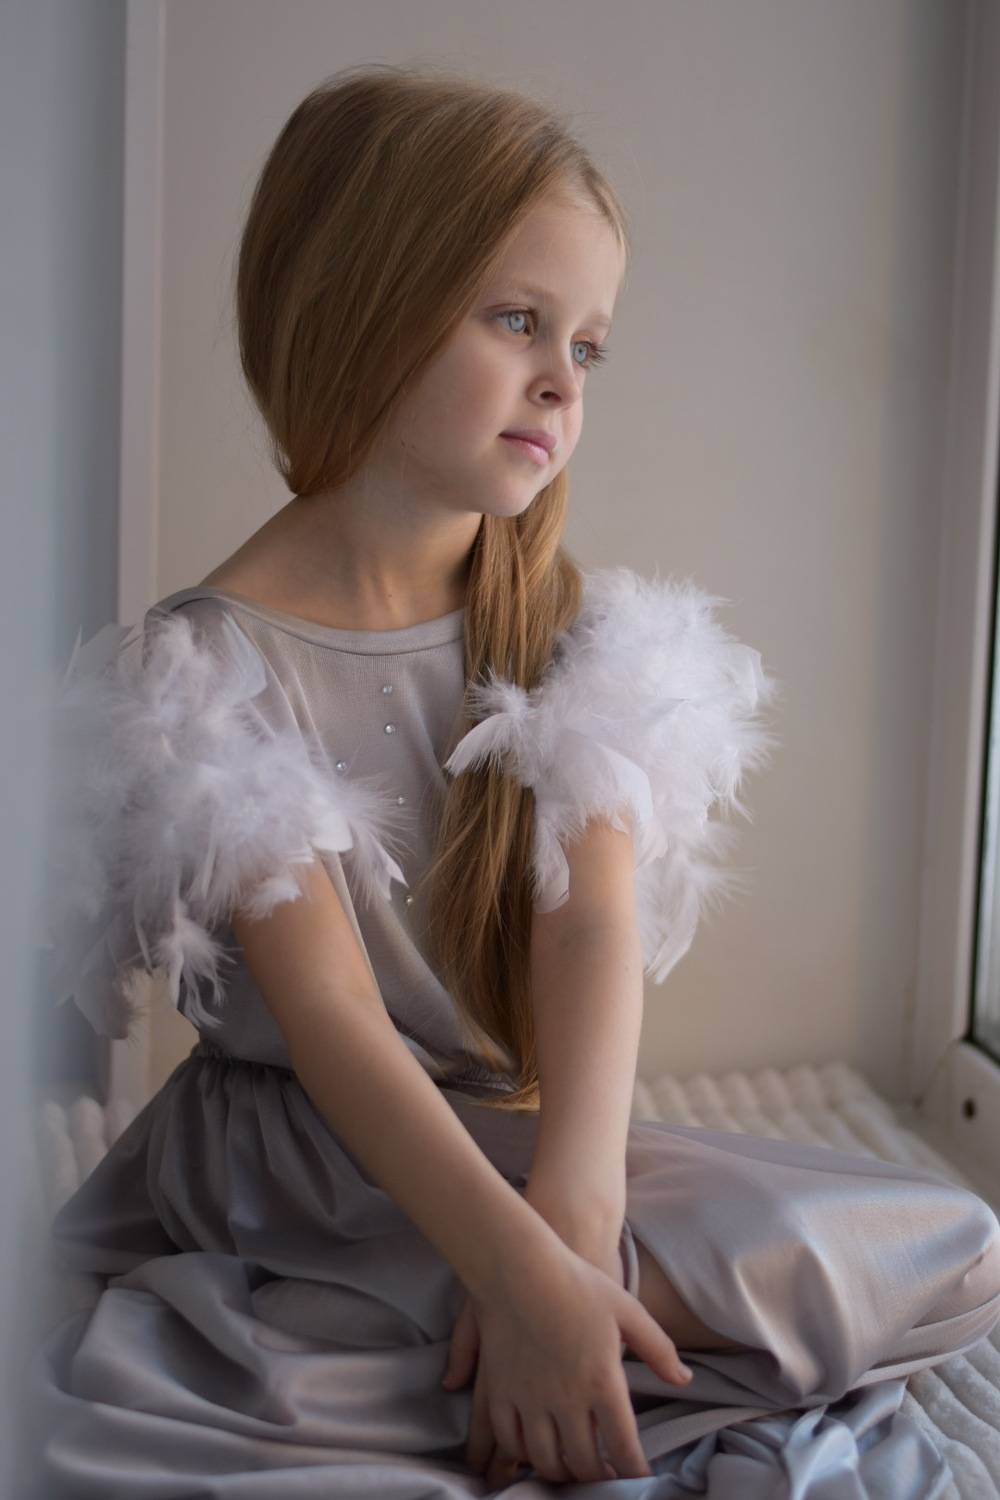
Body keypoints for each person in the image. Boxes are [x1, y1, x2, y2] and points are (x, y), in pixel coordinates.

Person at [23, 64, 1000, 1498]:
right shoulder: (205, 670)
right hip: (303, 1171)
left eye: (588, 345)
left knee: (949, 1252)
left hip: (517, 1145)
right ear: (366, 305)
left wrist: (574, 1226)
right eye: (519, 320)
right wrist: (520, 1272)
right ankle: (435, 1349)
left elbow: (588, 925)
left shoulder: (563, 628)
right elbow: (337, 1025)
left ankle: (473, 1354)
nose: (563, 381)